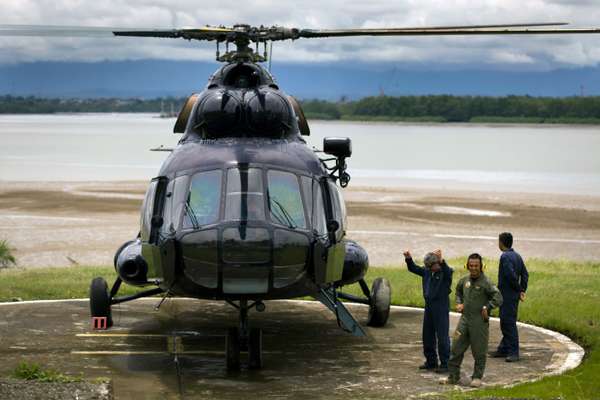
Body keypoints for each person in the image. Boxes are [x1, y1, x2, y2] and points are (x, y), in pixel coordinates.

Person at [441, 253, 502, 388]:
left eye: (476, 266)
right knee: (456, 348)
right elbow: (458, 292)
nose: (473, 268)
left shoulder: (486, 283)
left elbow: (498, 297)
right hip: (464, 320)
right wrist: (459, 303)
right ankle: (453, 376)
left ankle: (477, 377)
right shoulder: (464, 281)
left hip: (479, 322)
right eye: (471, 265)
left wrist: (488, 307)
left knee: (479, 351)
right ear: (467, 266)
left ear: (481, 267)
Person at [404, 249, 453, 373]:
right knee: (427, 335)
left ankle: (445, 364)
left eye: (432, 266)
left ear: (437, 263)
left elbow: (447, 271)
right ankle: (431, 361)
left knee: (442, 337)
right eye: (428, 267)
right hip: (429, 307)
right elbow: (413, 268)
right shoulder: (427, 271)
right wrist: (408, 258)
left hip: (440, 307)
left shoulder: (445, 273)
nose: (430, 269)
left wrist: (442, 261)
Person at [489, 232, 529, 362]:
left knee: (508, 323)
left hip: (507, 295)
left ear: (501, 242)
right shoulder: (517, 256)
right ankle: (503, 349)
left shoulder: (505, 257)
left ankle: (513, 352)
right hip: (513, 295)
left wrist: (518, 289)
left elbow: (510, 275)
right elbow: (525, 274)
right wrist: (522, 289)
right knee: (507, 321)